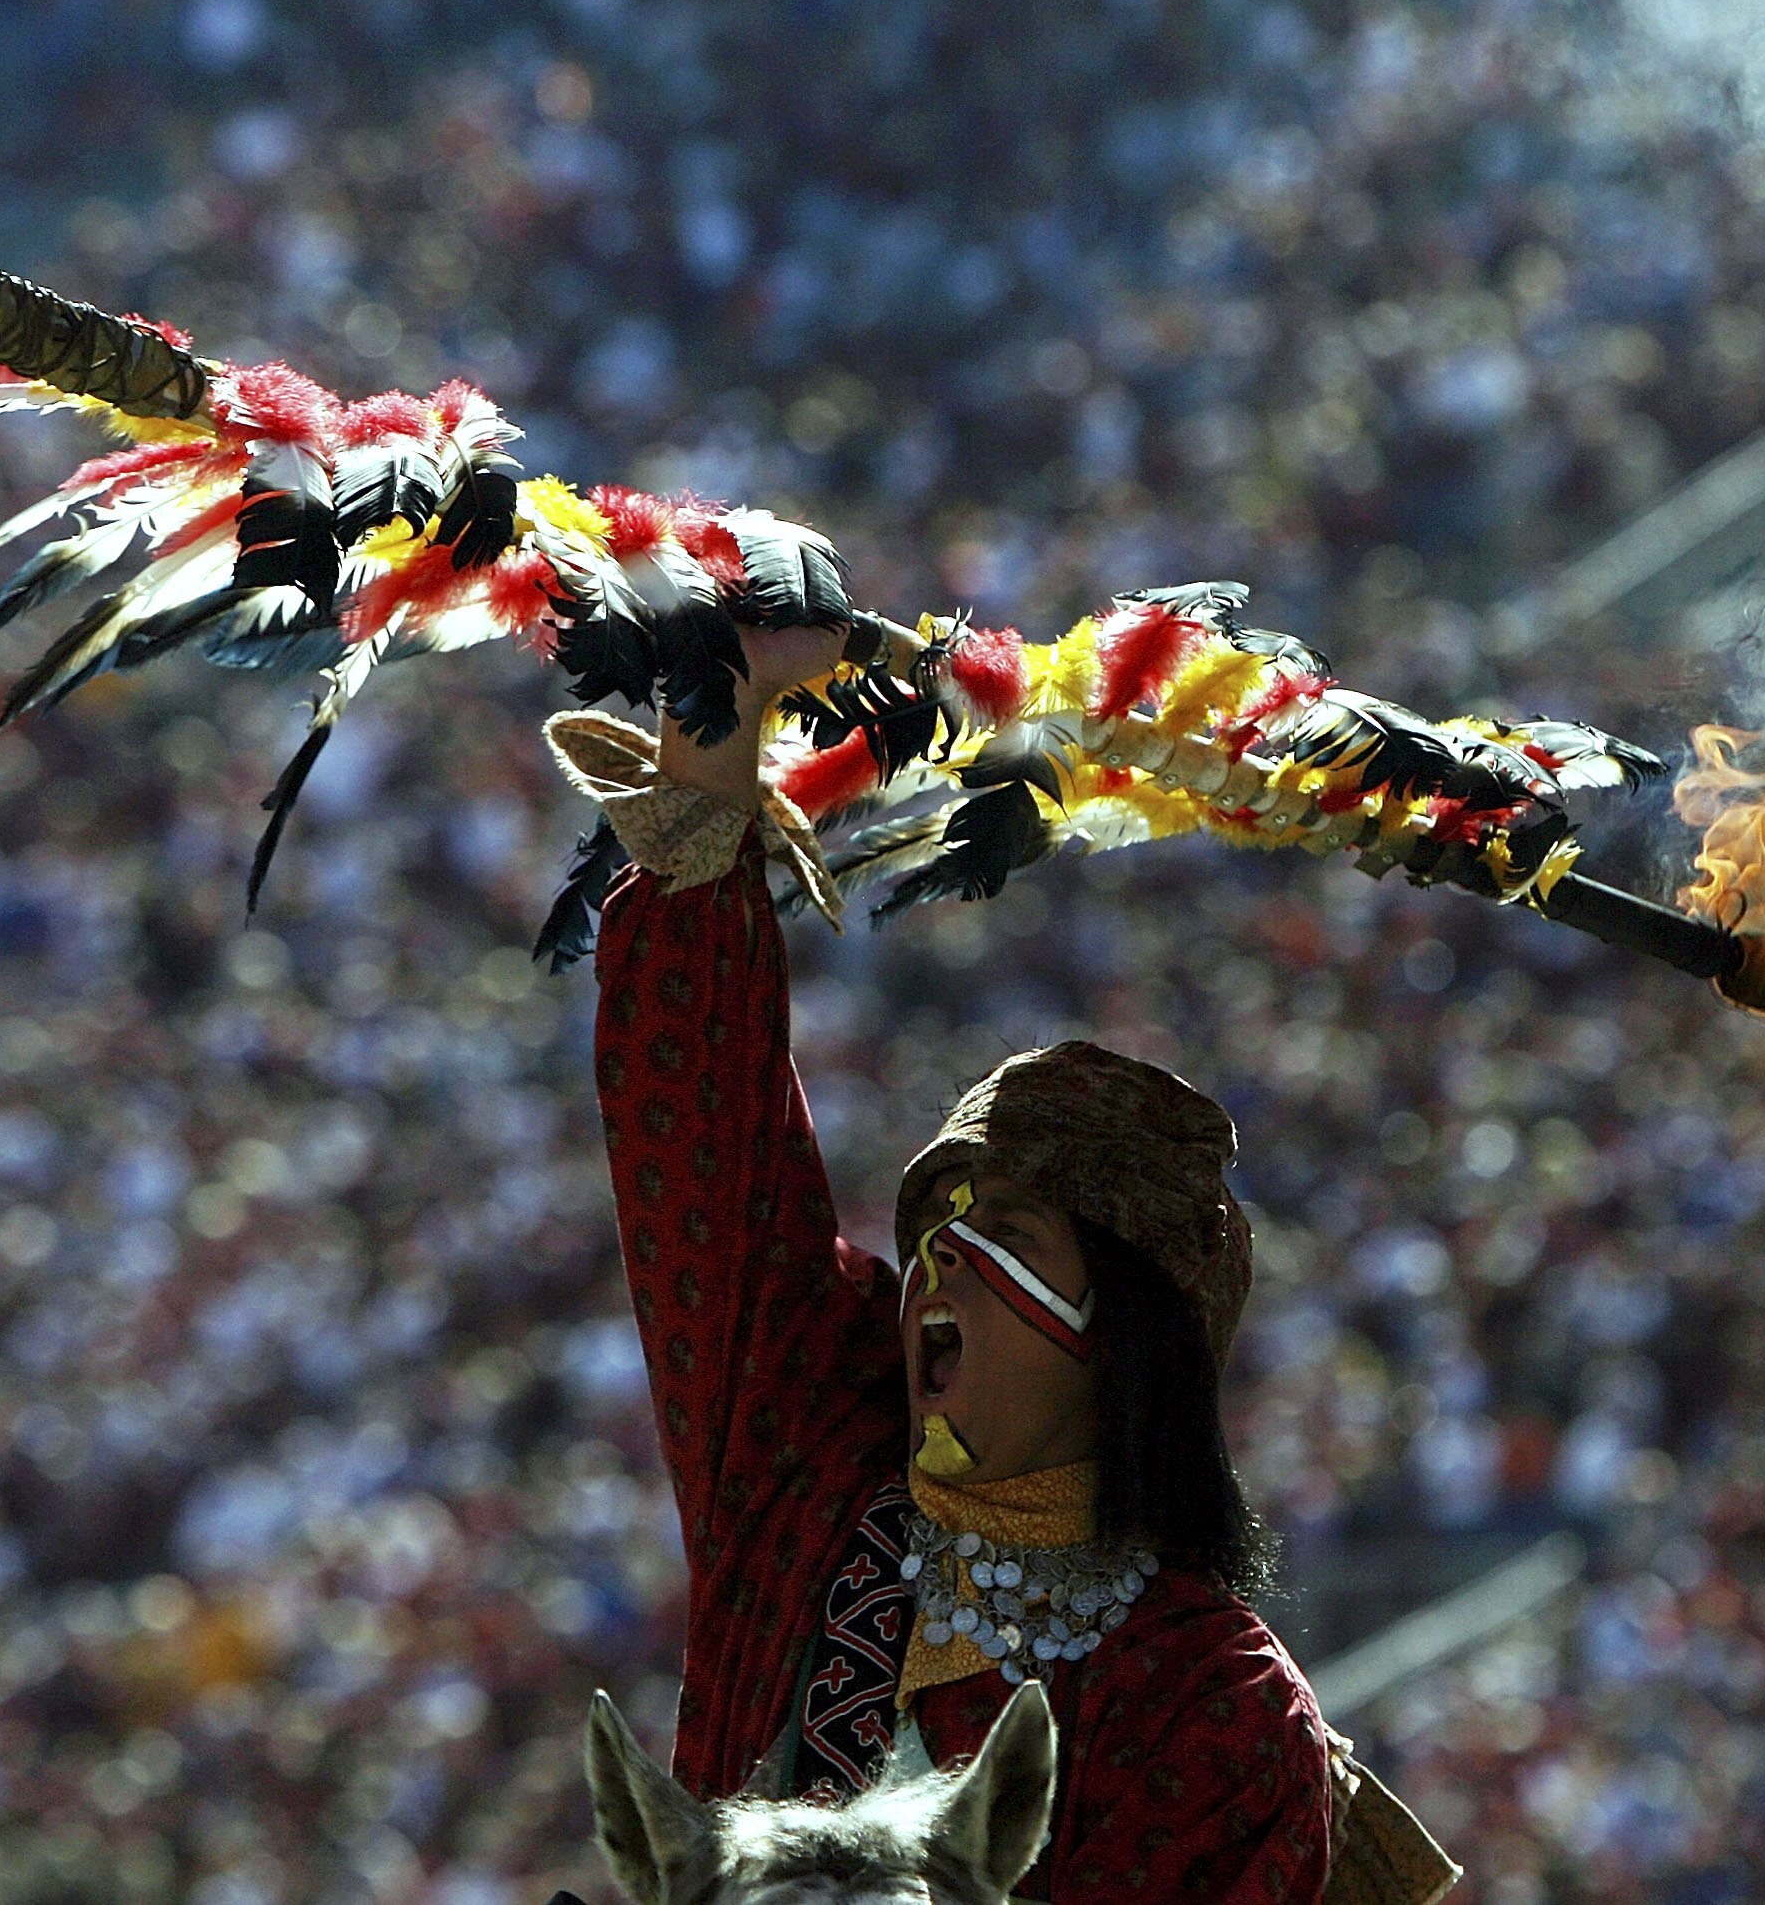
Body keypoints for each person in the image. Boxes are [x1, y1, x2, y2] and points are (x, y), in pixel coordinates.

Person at [556, 621, 1456, 1903]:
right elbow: (702, 1137)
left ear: (1125, 1333)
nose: (934, 1269)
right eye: (933, 1231)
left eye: (1007, 1238)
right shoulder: (814, 1468)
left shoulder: (1217, 1705)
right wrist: (717, 706)